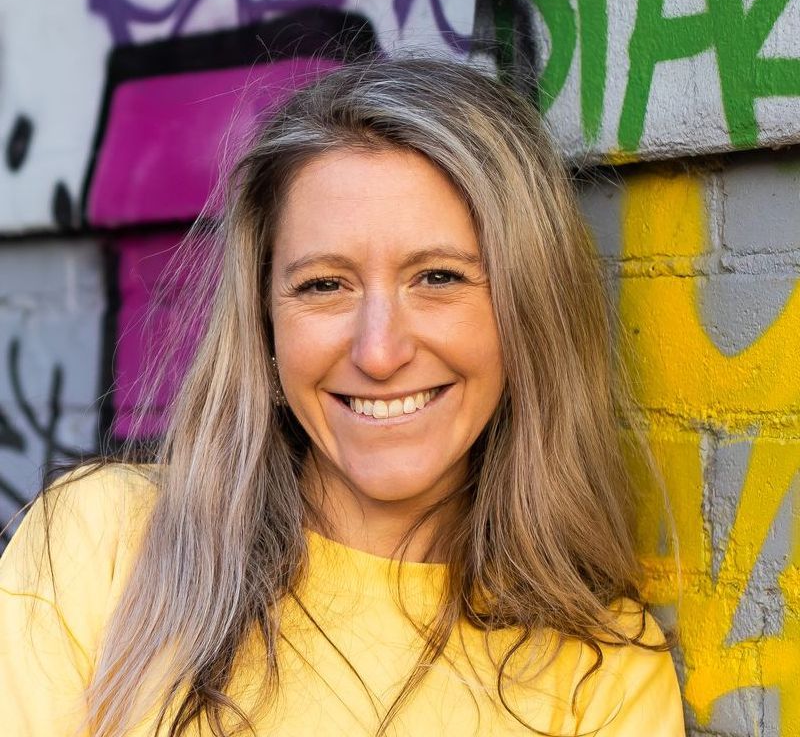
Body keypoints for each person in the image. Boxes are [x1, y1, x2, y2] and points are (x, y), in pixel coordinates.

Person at [0, 58, 684, 736]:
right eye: (324, 285)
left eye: (439, 277)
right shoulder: (100, 544)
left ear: (529, 311)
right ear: (265, 325)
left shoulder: (601, 676)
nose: (378, 353)